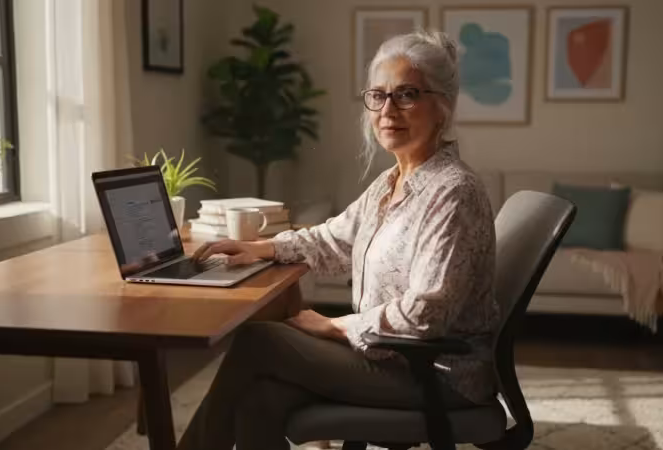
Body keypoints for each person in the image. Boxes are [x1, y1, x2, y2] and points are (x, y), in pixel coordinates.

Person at [177, 30, 498, 450]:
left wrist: (335, 327)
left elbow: (427, 313)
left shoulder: (453, 191)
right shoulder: (393, 182)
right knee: (259, 399)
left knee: (259, 340)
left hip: (434, 372)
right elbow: (335, 238)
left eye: (406, 94)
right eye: (377, 95)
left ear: (442, 107)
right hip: (389, 356)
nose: (387, 110)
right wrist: (264, 248)